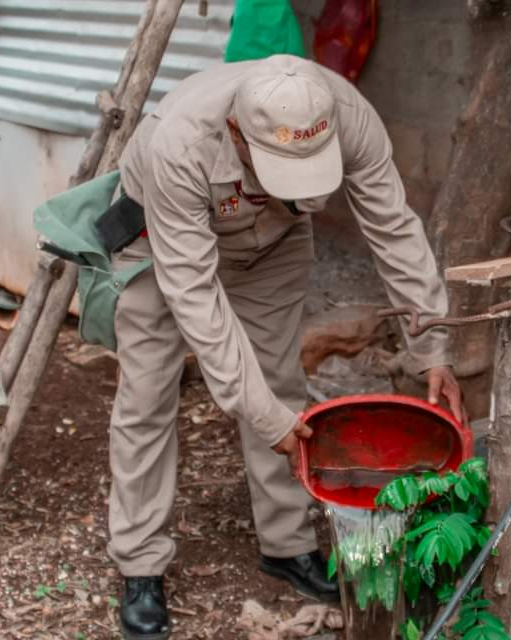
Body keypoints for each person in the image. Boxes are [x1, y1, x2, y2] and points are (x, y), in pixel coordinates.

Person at [110, 54, 464, 640]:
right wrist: (261, 414)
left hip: (272, 239)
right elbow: (193, 294)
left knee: (279, 381)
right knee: (148, 394)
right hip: (160, 241)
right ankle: (140, 563)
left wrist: (432, 346)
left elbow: (394, 228)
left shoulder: (348, 114)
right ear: (235, 132)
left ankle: (287, 545)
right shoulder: (181, 143)